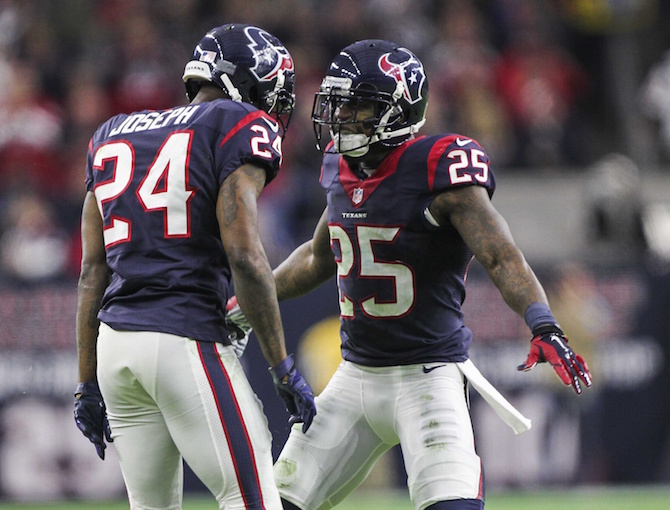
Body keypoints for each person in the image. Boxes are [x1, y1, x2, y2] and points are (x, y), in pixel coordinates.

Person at [230, 39, 592, 510]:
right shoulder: (340, 167)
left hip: (428, 378)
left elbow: (500, 255)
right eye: (337, 104)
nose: (340, 117)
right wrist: (242, 304)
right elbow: (318, 257)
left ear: (398, 110)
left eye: (356, 106)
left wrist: (543, 322)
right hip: (354, 377)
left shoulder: (438, 168)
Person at [73, 23, 316, 510]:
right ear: (245, 83)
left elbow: (92, 272)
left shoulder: (112, 133)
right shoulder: (236, 123)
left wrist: (86, 382)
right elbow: (245, 256)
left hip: (115, 347)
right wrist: (282, 366)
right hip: (183, 336)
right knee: (250, 499)